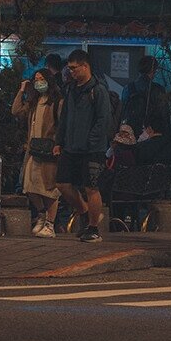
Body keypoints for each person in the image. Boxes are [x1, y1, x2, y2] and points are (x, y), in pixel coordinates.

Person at [55, 49, 112, 243]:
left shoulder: (98, 90)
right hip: (71, 147)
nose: (70, 72)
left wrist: (90, 141)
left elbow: (103, 120)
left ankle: (94, 228)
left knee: (91, 188)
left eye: (73, 68)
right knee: (62, 183)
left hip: (92, 149)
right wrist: (59, 141)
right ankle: (85, 212)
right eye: (69, 68)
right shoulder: (71, 89)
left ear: (85, 66)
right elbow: (65, 117)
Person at [12, 68, 62, 237]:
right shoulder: (34, 102)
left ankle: (50, 223)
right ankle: (42, 214)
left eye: (42, 79)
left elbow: (62, 125)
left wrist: (59, 144)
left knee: (49, 187)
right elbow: (16, 111)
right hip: (33, 150)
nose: (38, 82)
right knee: (29, 185)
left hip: (49, 149)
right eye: (36, 80)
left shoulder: (56, 102)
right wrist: (21, 91)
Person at [121, 55, 169, 138]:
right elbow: (164, 115)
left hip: (131, 135)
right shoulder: (158, 89)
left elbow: (123, 111)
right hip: (152, 135)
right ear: (153, 70)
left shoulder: (128, 88)